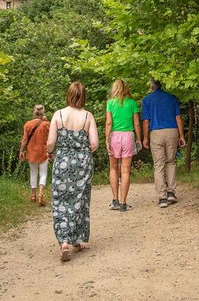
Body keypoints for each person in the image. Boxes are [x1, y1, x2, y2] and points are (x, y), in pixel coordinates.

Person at [47, 81, 99, 262]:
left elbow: (51, 142)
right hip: (83, 162)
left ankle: (64, 241)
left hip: (62, 160)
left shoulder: (58, 115)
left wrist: (50, 152)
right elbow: (94, 144)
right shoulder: (88, 116)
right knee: (80, 198)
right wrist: (83, 152)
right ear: (83, 96)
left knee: (61, 198)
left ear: (68, 95)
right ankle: (76, 240)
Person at [141, 79, 185, 208]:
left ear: (151, 86)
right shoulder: (172, 98)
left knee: (158, 165)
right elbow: (178, 118)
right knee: (170, 162)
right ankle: (171, 192)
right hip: (172, 131)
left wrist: (145, 138)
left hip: (156, 132)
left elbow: (146, 121)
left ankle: (162, 198)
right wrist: (181, 136)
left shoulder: (147, 100)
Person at [105, 79, 142, 212]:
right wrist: (139, 138)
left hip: (114, 136)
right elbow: (137, 123)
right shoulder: (132, 103)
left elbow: (109, 123)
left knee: (113, 168)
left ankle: (114, 200)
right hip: (128, 136)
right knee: (125, 170)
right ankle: (123, 204)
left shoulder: (110, 103)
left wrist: (106, 139)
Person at [19, 104, 51, 206]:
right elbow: (51, 138)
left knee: (33, 173)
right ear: (43, 112)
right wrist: (51, 151)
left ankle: (33, 195)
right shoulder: (46, 124)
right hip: (43, 152)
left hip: (31, 152)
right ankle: (41, 193)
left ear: (34, 112)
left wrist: (21, 150)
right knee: (43, 174)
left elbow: (24, 139)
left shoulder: (28, 124)